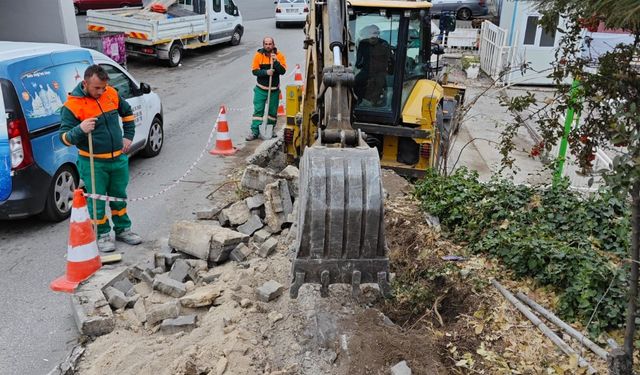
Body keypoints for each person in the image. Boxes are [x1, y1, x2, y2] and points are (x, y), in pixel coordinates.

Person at [59, 65, 142, 252]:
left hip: (118, 159)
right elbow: (64, 138)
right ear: (85, 83)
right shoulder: (72, 106)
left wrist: (128, 136)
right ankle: (102, 234)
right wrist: (80, 129)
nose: (101, 91)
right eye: (97, 88)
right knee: (96, 200)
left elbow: (127, 113)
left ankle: (123, 230)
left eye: (103, 87)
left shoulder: (111, 93)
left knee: (119, 197)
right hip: (93, 162)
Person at [248, 36, 287, 141]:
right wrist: (266, 72)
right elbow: (255, 71)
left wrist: (275, 62)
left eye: (270, 44)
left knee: (272, 112)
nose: (268, 46)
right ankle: (255, 131)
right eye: (266, 44)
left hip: (273, 90)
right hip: (261, 89)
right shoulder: (258, 55)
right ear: (263, 45)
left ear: (273, 45)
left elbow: (283, 71)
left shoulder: (279, 56)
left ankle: (271, 129)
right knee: (258, 111)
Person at [354, 24, 393, 107]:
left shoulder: (383, 44)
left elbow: (390, 61)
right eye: (372, 36)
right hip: (369, 72)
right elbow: (358, 62)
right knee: (355, 82)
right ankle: (361, 101)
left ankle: (364, 102)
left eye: (375, 35)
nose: (373, 38)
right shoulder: (364, 44)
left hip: (379, 73)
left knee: (356, 83)